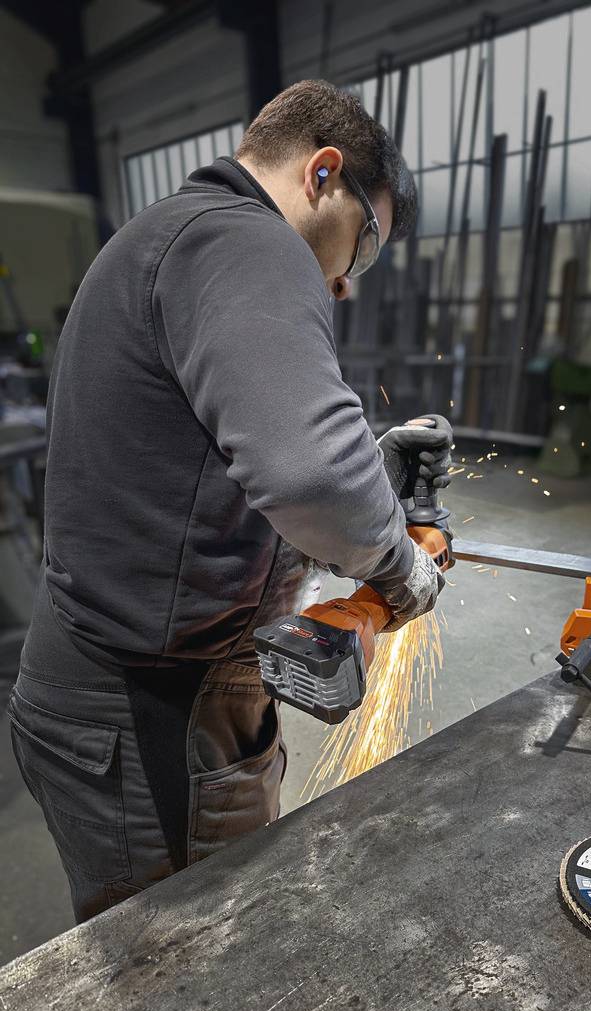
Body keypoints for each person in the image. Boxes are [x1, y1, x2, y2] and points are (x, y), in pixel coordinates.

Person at [8, 80, 453, 923]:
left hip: (109, 695)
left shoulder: (170, 237)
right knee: (191, 965)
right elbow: (312, 478)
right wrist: (401, 570)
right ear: (323, 173)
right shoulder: (245, 239)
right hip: (151, 717)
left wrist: (370, 465)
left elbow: (208, 463)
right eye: (363, 247)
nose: (346, 284)